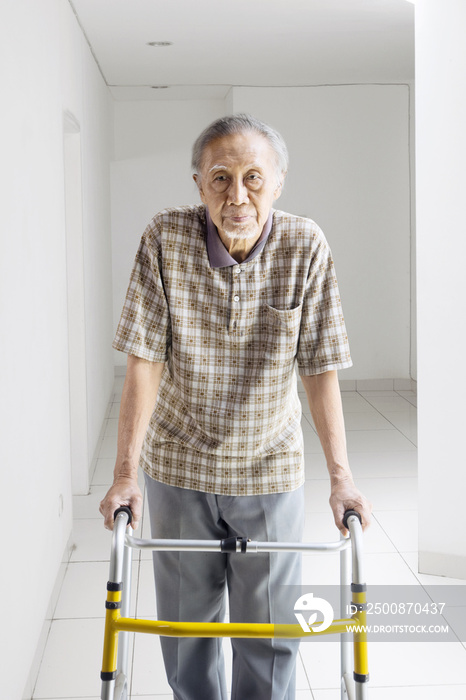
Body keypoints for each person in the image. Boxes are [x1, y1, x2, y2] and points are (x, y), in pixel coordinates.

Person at [100, 113, 371, 700]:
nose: (237, 195)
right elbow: (144, 359)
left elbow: (319, 366)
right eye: (220, 179)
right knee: (183, 628)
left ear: (278, 183)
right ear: (198, 185)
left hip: (268, 465)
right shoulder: (165, 239)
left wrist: (342, 479)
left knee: (270, 633)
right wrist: (126, 474)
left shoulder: (305, 245)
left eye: (253, 177)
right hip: (178, 463)